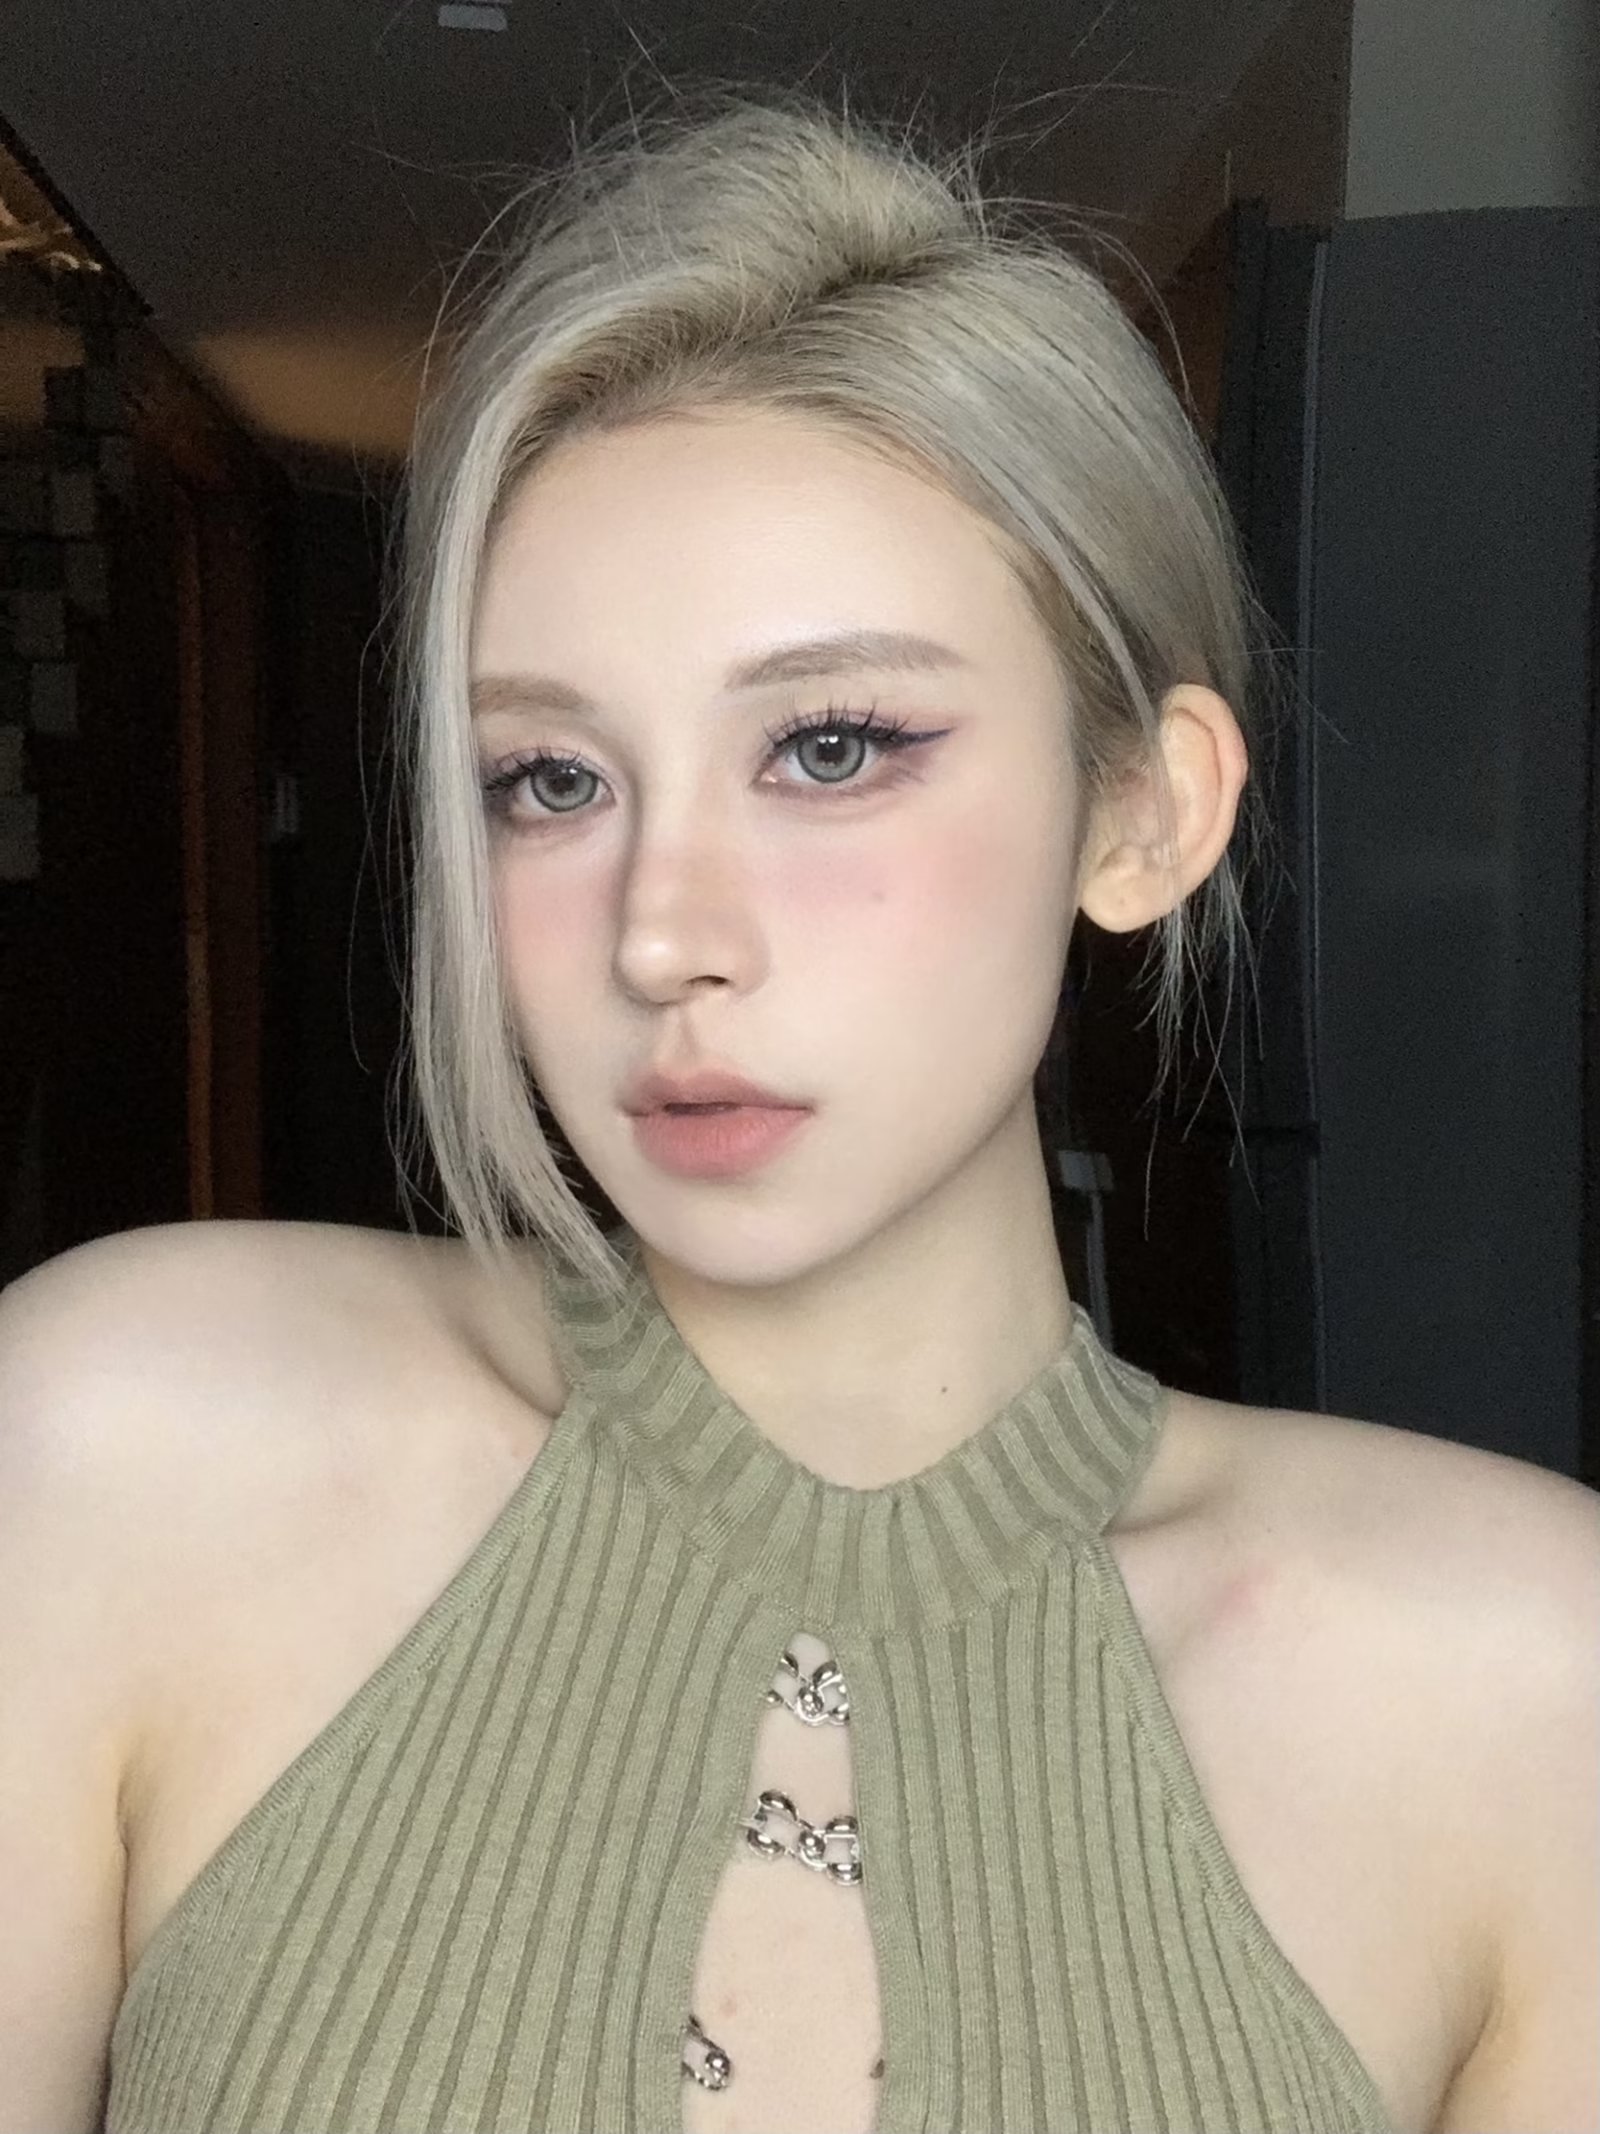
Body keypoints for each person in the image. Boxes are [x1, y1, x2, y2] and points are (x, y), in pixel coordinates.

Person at [2, 91, 1595, 2134]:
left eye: (831, 746)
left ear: (1141, 808)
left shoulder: (1521, 1685)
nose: (662, 930)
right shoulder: (128, 1442)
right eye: (549, 779)